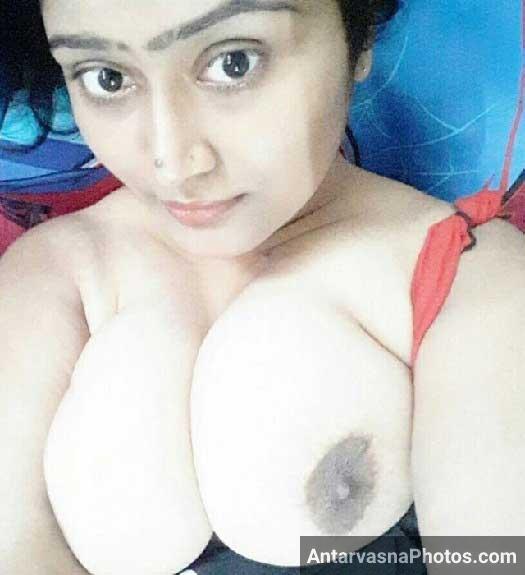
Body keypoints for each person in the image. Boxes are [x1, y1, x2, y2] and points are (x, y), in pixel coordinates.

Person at [1, 1, 524, 574]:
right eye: (107, 78)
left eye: (235, 63)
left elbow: (488, 557)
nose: (173, 160)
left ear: (358, 39)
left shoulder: (466, 276)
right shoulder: (54, 273)